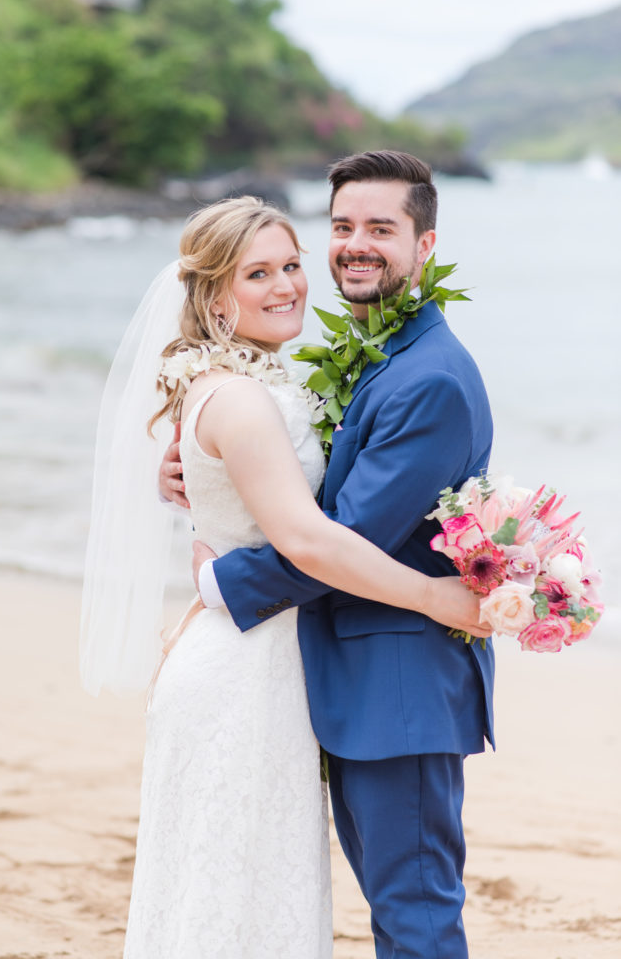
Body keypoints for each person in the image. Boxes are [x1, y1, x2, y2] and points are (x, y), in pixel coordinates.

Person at [81, 194, 488, 959]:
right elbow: (309, 536)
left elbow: (285, 490)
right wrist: (438, 595)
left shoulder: (263, 381)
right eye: (256, 274)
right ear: (210, 296)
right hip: (244, 671)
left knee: (247, 885)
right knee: (229, 889)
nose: (287, 287)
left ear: (423, 243)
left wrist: (192, 487)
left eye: (290, 266)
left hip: (267, 663)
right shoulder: (238, 394)